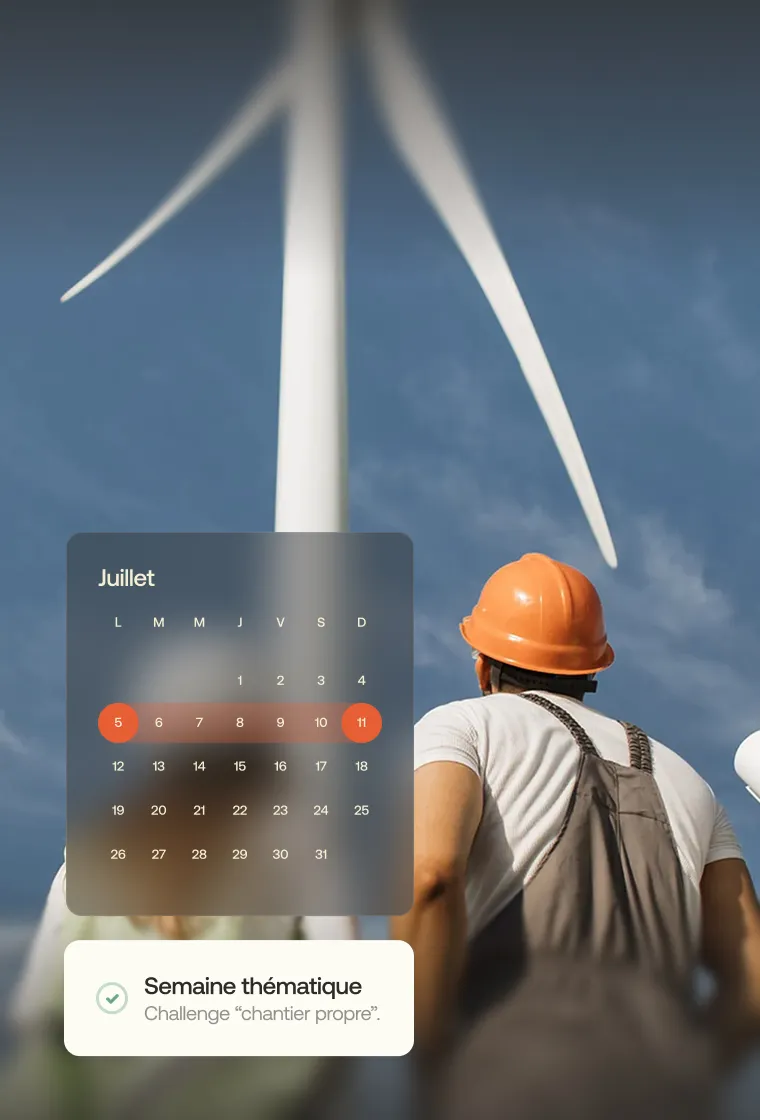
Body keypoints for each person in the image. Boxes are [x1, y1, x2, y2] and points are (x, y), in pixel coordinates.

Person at [392, 552, 760, 1120]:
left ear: (482, 663)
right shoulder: (691, 782)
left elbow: (429, 877)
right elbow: (752, 977)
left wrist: (425, 1056)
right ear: (593, 668)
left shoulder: (463, 726)